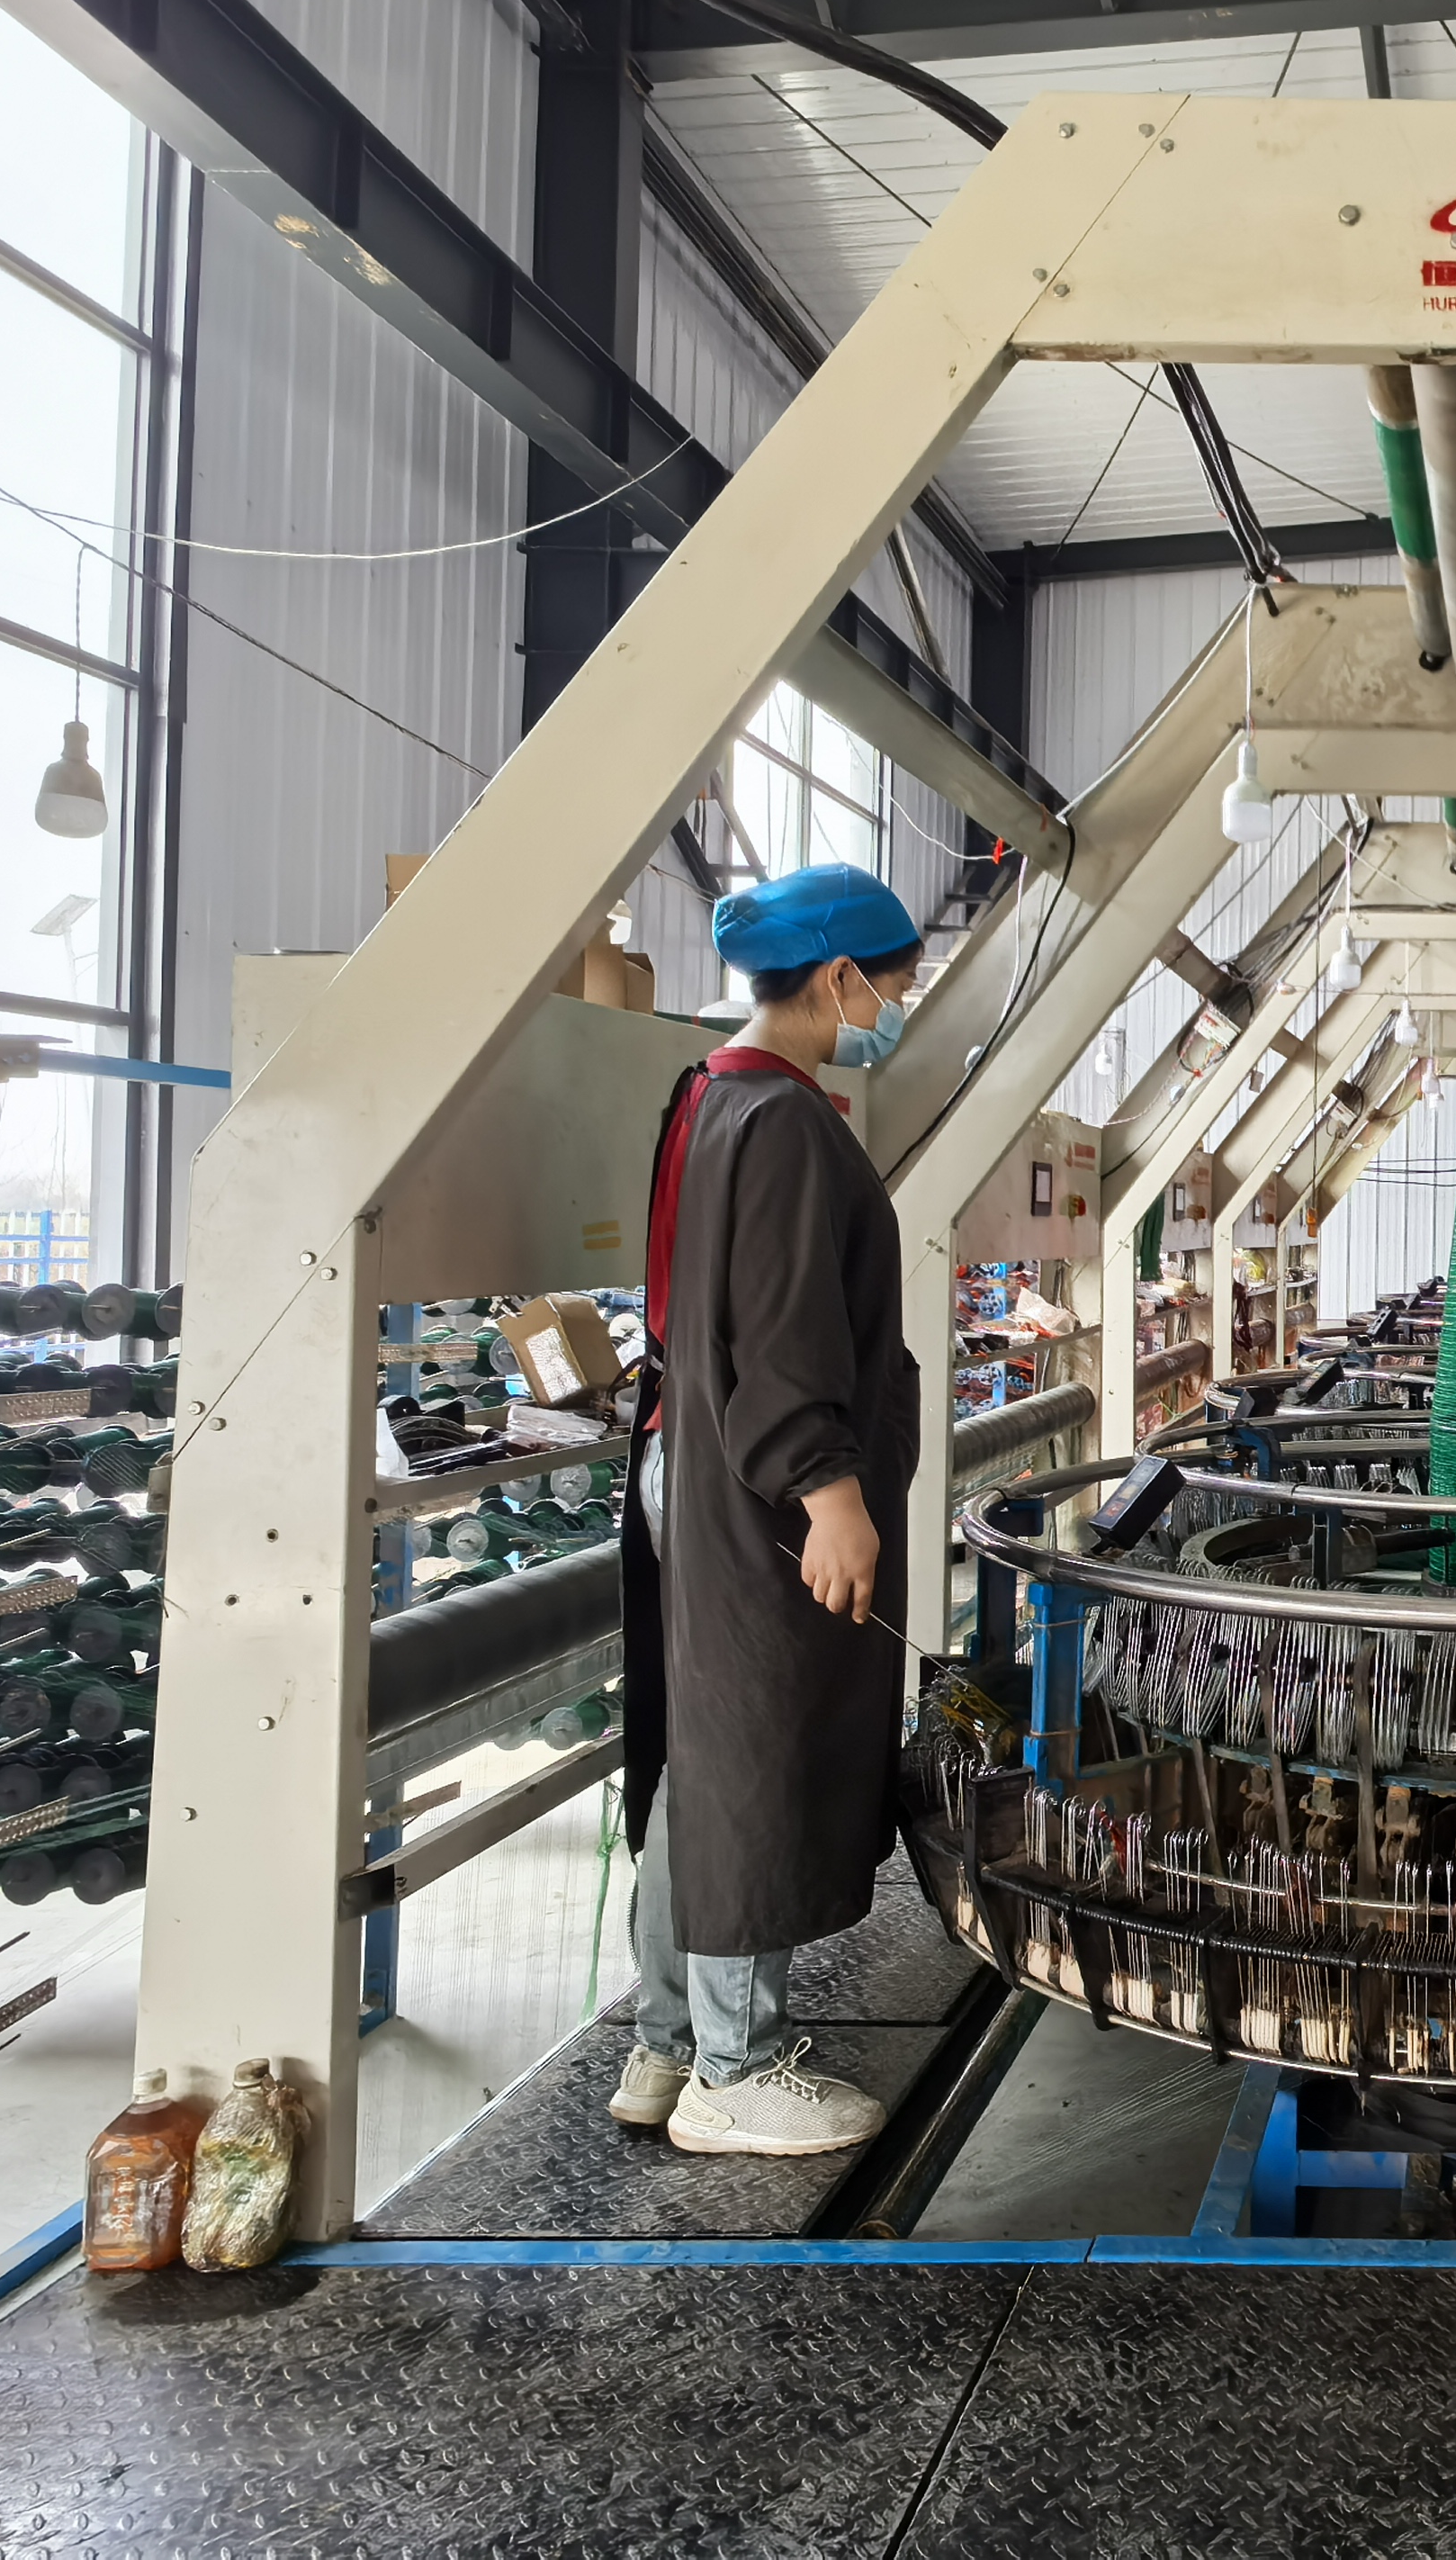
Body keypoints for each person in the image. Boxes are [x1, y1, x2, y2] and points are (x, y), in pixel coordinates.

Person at [610, 861, 926, 2158]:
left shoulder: (708, 1094)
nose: (895, 1006)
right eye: (893, 984)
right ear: (838, 977)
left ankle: (665, 2041)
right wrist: (830, 1493)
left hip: (694, 1462)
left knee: (705, 1754)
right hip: (765, 1488)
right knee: (758, 1749)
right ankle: (734, 2073)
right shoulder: (786, 1122)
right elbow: (785, 1331)